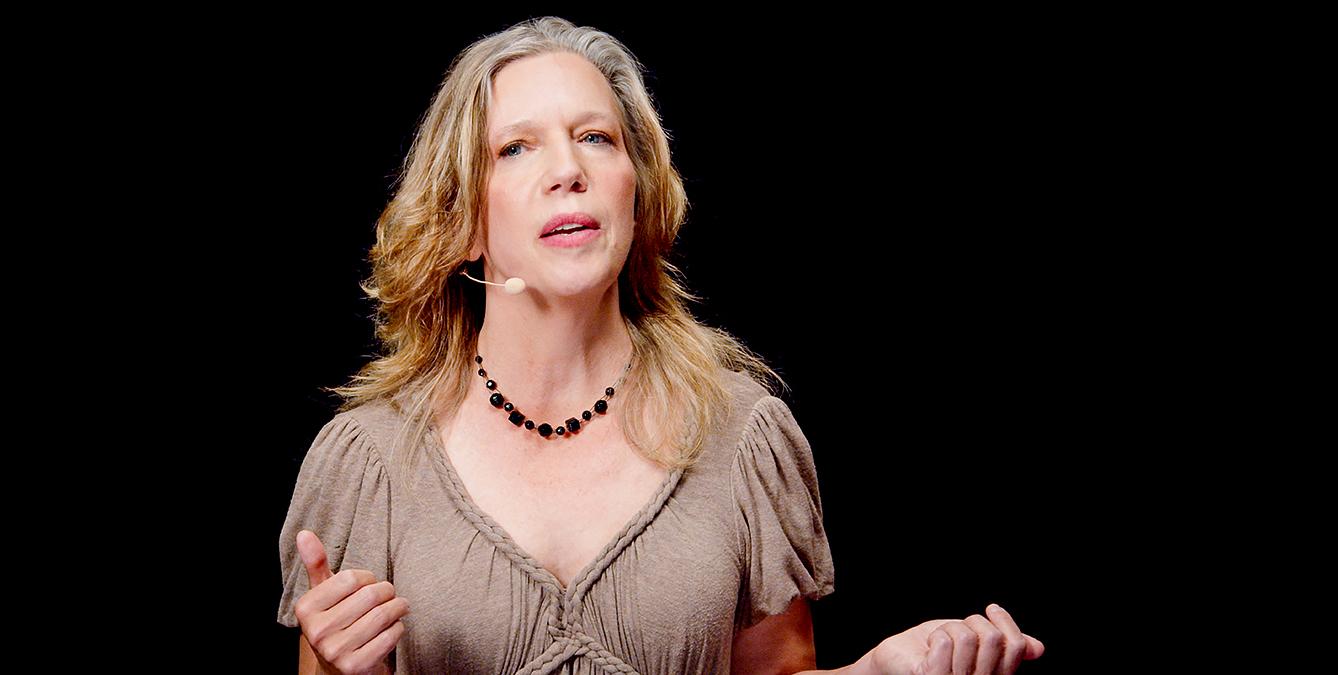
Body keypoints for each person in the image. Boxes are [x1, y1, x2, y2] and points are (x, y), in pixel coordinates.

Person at [275, 16, 1046, 675]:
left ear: (636, 194)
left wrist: (876, 672)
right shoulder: (370, 461)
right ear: (465, 223)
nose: (568, 170)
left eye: (595, 138)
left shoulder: (742, 435)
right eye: (515, 148)